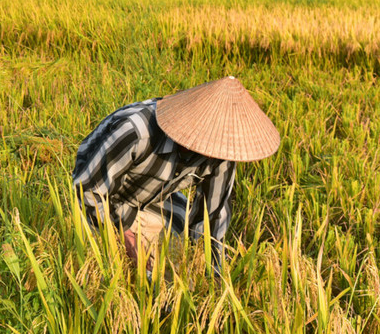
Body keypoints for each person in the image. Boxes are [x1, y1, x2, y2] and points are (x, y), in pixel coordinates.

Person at [72, 77, 280, 279]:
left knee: (180, 275)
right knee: (121, 273)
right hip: (103, 203)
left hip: (155, 202)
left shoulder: (222, 154)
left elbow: (211, 221)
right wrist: (125, 237)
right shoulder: (136, 132)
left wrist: (214, 279)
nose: (211, 155)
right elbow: (87, 189)